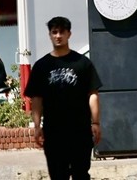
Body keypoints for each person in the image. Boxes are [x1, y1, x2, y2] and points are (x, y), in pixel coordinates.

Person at [25, 17, 102, 180]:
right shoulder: (41, 66)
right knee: (58, 175)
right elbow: (36, 99)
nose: (58, 36)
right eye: (54, 32)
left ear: (69, 34)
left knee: (81, 174)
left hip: (80, 130)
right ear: (50, 35)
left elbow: (93, 94)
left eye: (62, 32)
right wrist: (37, 126)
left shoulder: (83, 63)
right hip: (54, 132)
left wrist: (95, 122)